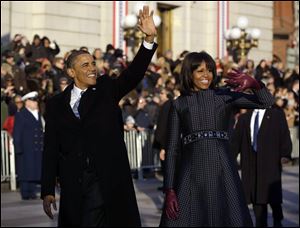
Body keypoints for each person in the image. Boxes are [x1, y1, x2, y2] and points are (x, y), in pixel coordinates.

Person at [41, 6, 157, 227]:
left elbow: (133, 74)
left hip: (107, 180)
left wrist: (149, 39)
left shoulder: (106, 89)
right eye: (85, 65)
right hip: (74, 183)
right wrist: (47, 189)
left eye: (93, 63)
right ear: (71, 72)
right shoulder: (55, 104)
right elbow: (51, 147)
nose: (93, 68)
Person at [160, 51, 275, 227]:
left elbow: (266, 102)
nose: (206, 75)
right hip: (191, 172)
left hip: (223, 170)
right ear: (189, 73)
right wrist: (169, 189)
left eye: (209, 70)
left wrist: (255, 84)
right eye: (199, 71)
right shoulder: (179, 104)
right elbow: (173, 149)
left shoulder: (225, 96)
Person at [230, 106, 292, 227]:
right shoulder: (244, 118)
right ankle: (260, 222)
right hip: (251, 162)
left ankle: (277, 219)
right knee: (256, 194)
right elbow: (235, 141)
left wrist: (285, 153)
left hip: (270, 161)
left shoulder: (276, 115)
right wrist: (229, 159)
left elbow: (284, 134)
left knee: (272, 195)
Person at [13, 91, 44, 200]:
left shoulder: (38, 114)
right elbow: (17, 133)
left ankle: (32, 191)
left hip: (35, 148)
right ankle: (25, 192)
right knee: (25, 170)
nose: (36, 103)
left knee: (34, 170)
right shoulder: (21, 114)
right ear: (27, 102)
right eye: (34, 101)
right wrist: (18, 148)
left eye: (36, 101)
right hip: (26, 148)